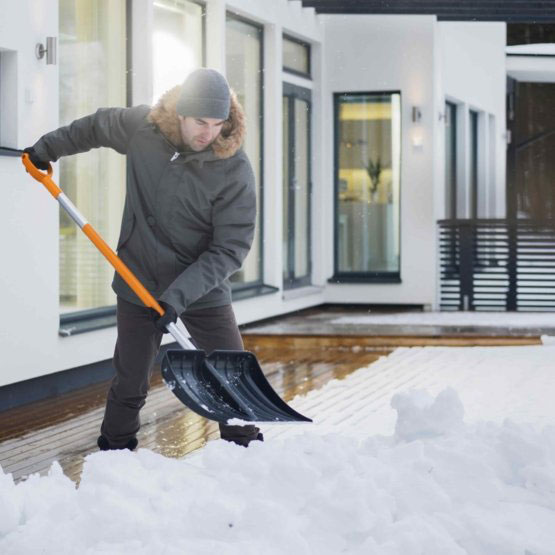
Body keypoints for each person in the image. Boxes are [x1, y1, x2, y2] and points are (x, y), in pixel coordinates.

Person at [24, 68, 262, 449]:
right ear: (180, 114)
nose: (208, 133)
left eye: (218, 124)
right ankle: (115, 454)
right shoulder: (144, 129)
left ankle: (246, 452)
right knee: (131, 378)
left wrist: (177, 297)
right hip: (139, 278)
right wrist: (45, 149)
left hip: (201, 288)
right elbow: (97, 126)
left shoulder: (233, 168)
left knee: (230, 375)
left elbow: (230, 248)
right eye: (200, 122)